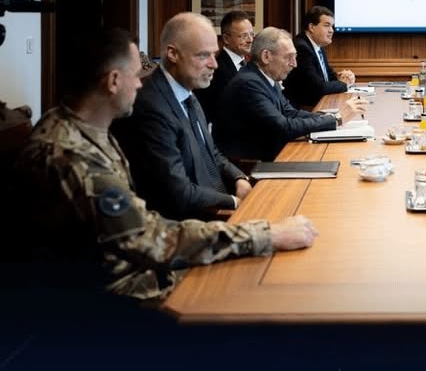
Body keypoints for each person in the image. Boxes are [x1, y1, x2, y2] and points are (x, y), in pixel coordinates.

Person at [13, 28, 318, 302]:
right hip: (118, 296)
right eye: (136, 75)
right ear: (114, 81)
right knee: (266, 291)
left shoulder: (78, 126)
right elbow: (150, 239)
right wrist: (265, 234)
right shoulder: (73, 156)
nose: (141, 84)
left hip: (134, 268)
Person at [112, 13, 252, 220]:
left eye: (214, 54)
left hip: (217, 204)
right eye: (203, 55)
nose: (214, 64)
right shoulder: (150, 106)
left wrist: (238, 177)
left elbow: (211, 152)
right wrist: (232, 202)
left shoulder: (188, 93)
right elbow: (177, 191)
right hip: (193, 220)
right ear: (173, 54)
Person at [214, 27, 368, 161]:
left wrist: (331, 117)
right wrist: (336, 120)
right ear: (266, 56)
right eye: (289, 57)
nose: (294, 64)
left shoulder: (264, 77)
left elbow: (290, 113)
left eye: (295, 56)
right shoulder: (249, 83)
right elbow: (282, 127)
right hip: (252, 165)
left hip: (271, 154)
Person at [283, 6, 356, 108]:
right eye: (327, 25)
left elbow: (328, 76)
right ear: (312, 27)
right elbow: (317, 88)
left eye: (332, 26)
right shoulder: (301, 48)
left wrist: (341, 77)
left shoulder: (318, 46)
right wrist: (343, 84)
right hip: (304, 108)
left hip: (319, 104)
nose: (331, 30)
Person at [194, 10, 254, 127]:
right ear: (226, 39)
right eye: (243, 36)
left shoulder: (250, 65)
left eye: (251, 34)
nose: (250, 40)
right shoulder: (215, 69)